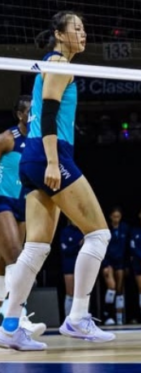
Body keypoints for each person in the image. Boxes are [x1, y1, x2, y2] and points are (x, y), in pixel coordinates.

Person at [0, 12, 115, 350]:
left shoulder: (53, 63)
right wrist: (53, 161)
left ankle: (9, 325)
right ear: (59, 34)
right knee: (99, 234)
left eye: (84, 28)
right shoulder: (59, 63)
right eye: (76, 28)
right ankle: (78, 316)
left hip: (35, 156)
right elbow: (49, 113)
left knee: (36, 247)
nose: (83, 33)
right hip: (51, 154)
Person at [0, 96, 46, 337]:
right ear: (20, 115)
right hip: (3, 201)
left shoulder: (39, 142)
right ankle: (18, 319)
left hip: (23, 205)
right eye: (30, 111)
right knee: (16, 258)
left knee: (2, 266)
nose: (34, 115)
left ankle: (4, 320)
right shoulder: (8, 138)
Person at [100, 206, 129, 325]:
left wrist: (126, 264)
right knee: (111, 287)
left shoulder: (124, 228)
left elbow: (127, 248)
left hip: (120, 262)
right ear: (110, 217)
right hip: (108, 261)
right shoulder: (106, 229)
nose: (116, 219)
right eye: (114, 216)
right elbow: (102, 246)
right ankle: (108, 314)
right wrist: (105, 264)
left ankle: (119, 318)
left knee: (119, 289)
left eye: (118, 216)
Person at [59, 220, 83, 319]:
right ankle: (68, 318)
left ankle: (80, 318)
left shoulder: (83, 231)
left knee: (82, 293)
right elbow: (65, 250)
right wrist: (78, 245)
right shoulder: (65, 232)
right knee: (70, 293)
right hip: (69, 265)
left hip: (81, 265)